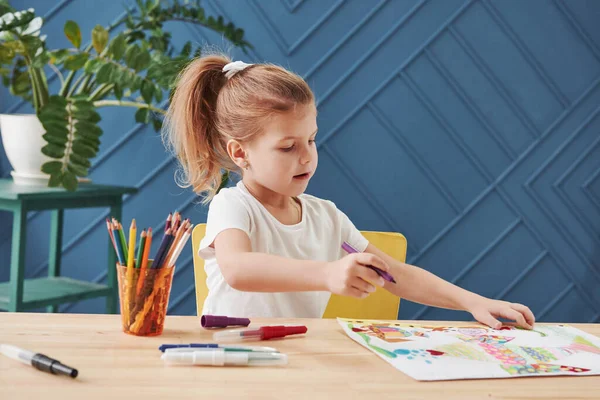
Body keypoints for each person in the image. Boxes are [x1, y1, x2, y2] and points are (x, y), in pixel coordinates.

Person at [162, 53, 535, 330]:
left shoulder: (327, 217)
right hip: (232, 361)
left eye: (311, 139)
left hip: (293, 359)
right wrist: (327, 274)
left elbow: (394, 275)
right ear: (240, 153)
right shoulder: (234, 206)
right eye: (288, 147)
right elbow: (239, 269)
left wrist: (473, 301)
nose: (307, 156)